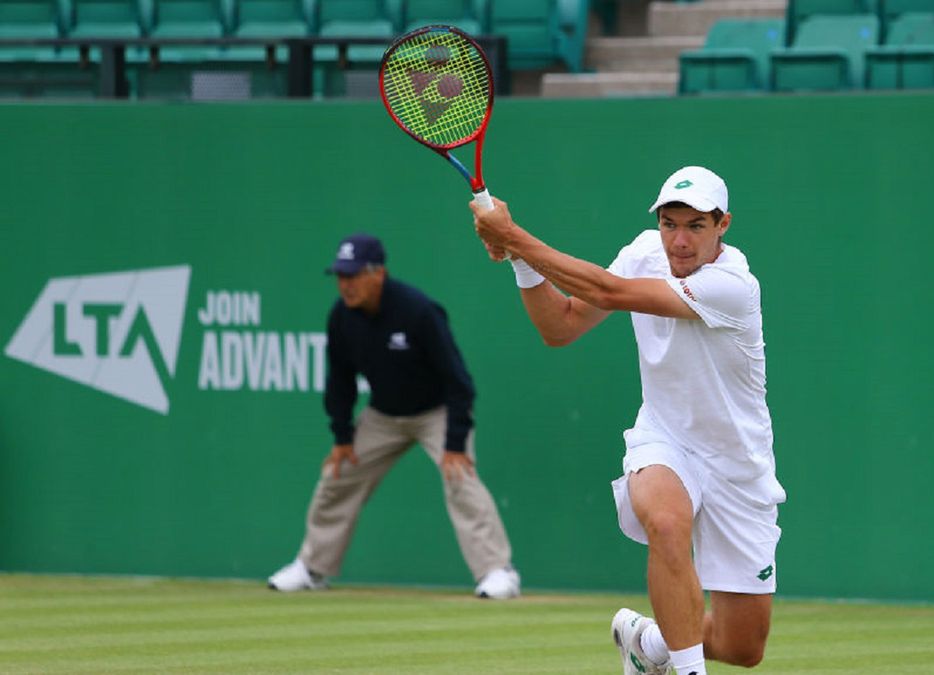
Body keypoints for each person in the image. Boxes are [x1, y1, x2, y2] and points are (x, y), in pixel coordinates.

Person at [470, 167, 786, 673]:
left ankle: (650, 645)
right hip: (664, 439)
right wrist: (520, 261)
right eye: (669, 224)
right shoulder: (645, 252)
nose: (679, 241)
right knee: (665, 520)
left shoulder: (734, 286)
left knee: (743, 646)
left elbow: (611, 293)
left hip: (737, 464)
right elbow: (562, 326)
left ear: (723, 225)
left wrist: (514, 237)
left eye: (696, 227)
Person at [268, 233, 520, 599]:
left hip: (437, 412)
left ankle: (499, 572)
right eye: (340, 276)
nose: (345, 285)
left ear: (378, 273)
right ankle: (312, 568)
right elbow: (339, 382)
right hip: (383, 415)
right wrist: (341, 438)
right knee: (337, 476)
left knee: (460, 477)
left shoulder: (418, 311)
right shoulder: (340, 317)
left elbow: (459, 382)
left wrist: (454, 442)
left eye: (353, 275)